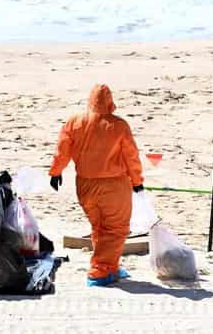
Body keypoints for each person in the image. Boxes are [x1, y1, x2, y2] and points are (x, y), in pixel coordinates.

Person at [49, 84, 144, 286]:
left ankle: (111, 266)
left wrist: (56, 172)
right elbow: (131, 157)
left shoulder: (75, 122)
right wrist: (137, 181)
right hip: (114, 185)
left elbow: (62, 149)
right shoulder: (119, 126)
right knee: (116, 229)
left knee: (99, 227)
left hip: (84, 185)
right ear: (110, 101)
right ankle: (100, 271)